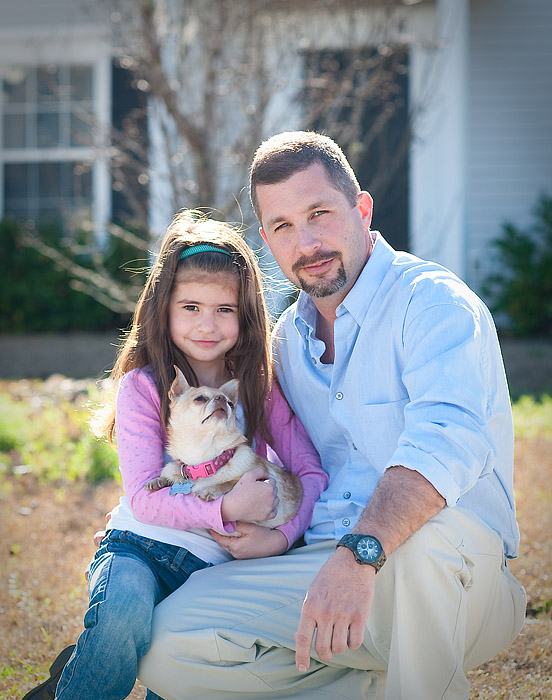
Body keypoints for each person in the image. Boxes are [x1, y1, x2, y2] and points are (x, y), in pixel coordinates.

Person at [137, 131, 527, 700]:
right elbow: (265, 463)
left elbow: (448, 442)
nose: (308, 242)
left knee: (422, 543)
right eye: (283, 226)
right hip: (324, 560)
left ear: (362, 209)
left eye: (320, 213)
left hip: (452, 567)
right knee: (169, 642)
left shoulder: (432, 303)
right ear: (267, 240)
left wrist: (360, 553)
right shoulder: (286, 345)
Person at [22, 210, 328, 700]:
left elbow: (312, 473)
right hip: (137, 547)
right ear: (163, 308)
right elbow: (144, 499)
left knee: (184, 665)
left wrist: (280, 537)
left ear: (246, 316)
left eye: (224, 310)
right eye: (191, 306)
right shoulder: (144, 386)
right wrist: (224, 508)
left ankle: (85, 665)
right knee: (122, 614)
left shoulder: (258, 388)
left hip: (212, 566)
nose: (207, 324)